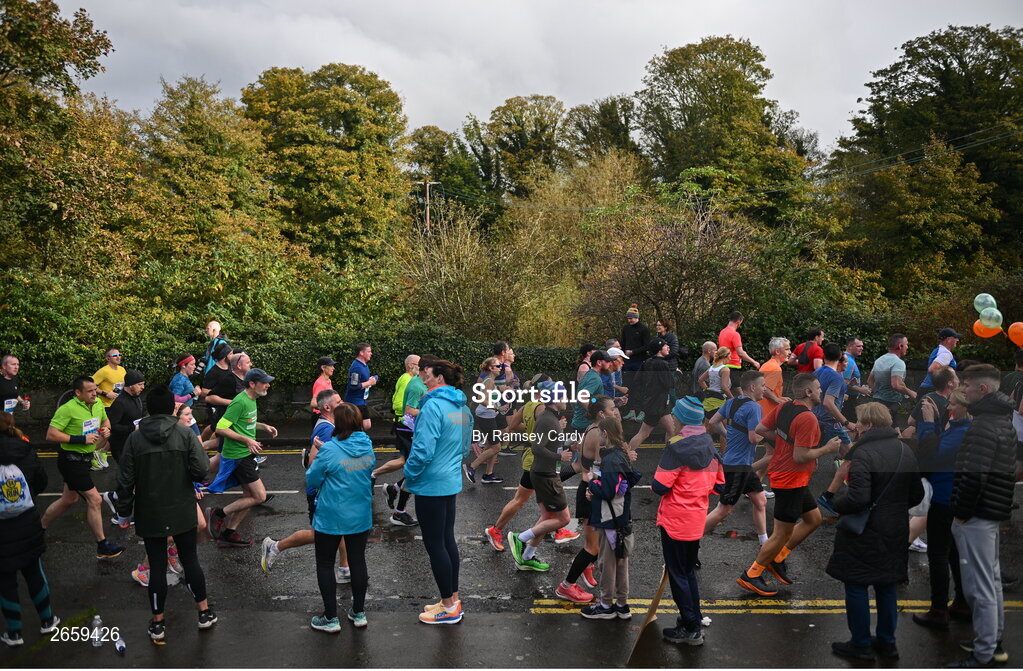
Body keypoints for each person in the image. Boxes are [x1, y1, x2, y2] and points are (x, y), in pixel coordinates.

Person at [113, 384, 217, 642]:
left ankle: (158, 623)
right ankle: (203, 613)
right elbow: (202, 470)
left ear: (149, 409)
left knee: (157, 567)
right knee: (190, 560)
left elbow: (124, 481)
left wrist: (124, 514)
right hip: (181, 507)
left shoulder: (135, 438)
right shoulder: (184, 434)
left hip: (150, 510)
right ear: (171, 407)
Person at [826, 402, 923, 661]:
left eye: (858, 421)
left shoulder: (861, 454)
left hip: (864, 531)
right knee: (886, 586)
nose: (855, 425)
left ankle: (860, 644)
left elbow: (858, 498)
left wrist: (837, 502)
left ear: (868, 425)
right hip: (895, 528)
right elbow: (917, 494)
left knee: (857, 585)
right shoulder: (905, 450)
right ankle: (888, 643)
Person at [737, 373, 840, 597]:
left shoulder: (785, 408)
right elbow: (802, 456)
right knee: (781, 533)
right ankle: (752, 574)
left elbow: (762, 430)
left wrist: (784, 437)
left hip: (794, 478)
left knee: (814, 519)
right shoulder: (808, 419)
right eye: (818, 388)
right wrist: (828, 449)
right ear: (808, 392)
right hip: (790, 479)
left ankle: (778, 558)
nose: (821, 391)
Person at [947, 364, 1016, 668]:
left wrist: (961, 513)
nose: (962, 388)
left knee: (980, 587)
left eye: (966, 384)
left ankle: (984, 653)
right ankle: (993, 642)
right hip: (989, 512)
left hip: (977, 515)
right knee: (992, 582)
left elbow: (974, 476)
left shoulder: (984, 425)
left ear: (983, 389)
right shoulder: (1001, 419)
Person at [404, 359, 472, 625]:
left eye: (426, 372)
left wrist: (408, 474)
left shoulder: (432, 405)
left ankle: (447, 607)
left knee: (435, 544)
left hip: (431, 483)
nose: (422, 375)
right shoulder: (462, 407)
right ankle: (453, 599)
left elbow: (422, 450)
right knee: (446, 540)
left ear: (439, 377)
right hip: (450, 479)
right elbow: (466, 446)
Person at [653, 396, 723, 646]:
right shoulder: (708, 444)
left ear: (681, 419)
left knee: (678, 574)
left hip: (674, 519)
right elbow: (719, 485)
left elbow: (659, 486)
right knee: (687, 572)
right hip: (696, 519)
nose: (672, 417)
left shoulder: (675, 447)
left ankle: (692, 628)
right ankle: (692, 616)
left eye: (674, 414)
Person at [260, 389, 351, 581]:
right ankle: (275, 546)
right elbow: (313, 461)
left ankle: (344, 569)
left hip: (329, 491)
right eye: (339, 401)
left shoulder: (330, 425)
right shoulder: (326, 429)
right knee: (322, 534)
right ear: (327, 407)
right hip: (321, 493)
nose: (343, 403)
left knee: (341, 528)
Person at [304, 403, 374, 633]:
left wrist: (322, 451)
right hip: (360, 512)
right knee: (358, 561)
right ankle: (359, 612)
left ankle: (331, 618)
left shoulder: (330, 450)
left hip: (331, 513)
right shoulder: (367, 444)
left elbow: (312, 479)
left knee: (325, 563)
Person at [40, 376, 124, 559]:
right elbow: (51, 434)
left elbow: (105, 421)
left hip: (85, 460)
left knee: (68, 499)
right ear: (78, 393)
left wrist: (107, 429)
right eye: (90, 391)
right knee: (95, 499)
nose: (95, 393)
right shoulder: (68, 409)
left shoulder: (98, 405)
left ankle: (39, 529)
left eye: (95, 389)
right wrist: (80, 439)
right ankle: (102, 545)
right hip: (70, 460)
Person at [912, 390, 970, 630]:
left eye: (953, 405)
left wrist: (927, 424)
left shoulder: (961, 431)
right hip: (953, 500)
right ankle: (962, 603)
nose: (949, 409)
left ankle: (938, 611)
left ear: (965, 408)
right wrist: (936, 421)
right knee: (955, 553)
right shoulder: (957, 427)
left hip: (945, 500)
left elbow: (931, 454)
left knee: (938, 554)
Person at [0, 412, 58, 647]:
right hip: (27, 524)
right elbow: (42, 482)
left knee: (5, 581)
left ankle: (14, 633)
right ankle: (47, 620)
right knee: (34, 573)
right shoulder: (25, 449)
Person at [555, 395, 619, 604]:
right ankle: (566, 586)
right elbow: (602, 468)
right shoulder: (599, 434)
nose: (616, 410)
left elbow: (584, 464)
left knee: (596, 543)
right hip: (592, 492)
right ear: (602, 413)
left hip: (589, 489)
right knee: (594, 547)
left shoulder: (591, 429)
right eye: (612, 408)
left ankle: (587, 567)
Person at [206, 368, 279, 548]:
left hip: (246, 454)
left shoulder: (252, 399)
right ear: (252, 384)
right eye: (264, 382)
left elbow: (245, 422)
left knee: (249, 495)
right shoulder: (240, 402)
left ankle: (229, 532)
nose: (268, 385)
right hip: (239, 456)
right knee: (259, 496)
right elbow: (221, 429)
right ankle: (218, 513)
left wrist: (263, 426)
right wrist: (246, 439)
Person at [580, 416, 641, 620]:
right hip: (621, 517)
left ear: (605, 434)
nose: (599, 439)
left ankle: (606, 605)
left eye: (600, 435)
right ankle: (622, 605)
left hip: (610, 518)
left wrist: (592, 485)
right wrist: (599, 481)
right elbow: (620, 483)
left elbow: (609, 490)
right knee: (621, 562)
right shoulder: (621, 455)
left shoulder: (611, 458)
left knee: (607, 564)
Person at [509, 389, 573, 573]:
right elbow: (537, 448)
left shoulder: (550, 418)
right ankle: (519, 538)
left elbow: (549, 442)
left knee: (547, 518)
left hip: (543, 473)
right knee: (563, 519)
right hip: (546, 475)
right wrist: (558, 456)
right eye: (564, 396)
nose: (567, 400)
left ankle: (527, 557)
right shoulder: (546, 419)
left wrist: (569, 444)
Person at [704, 371, 768, 546]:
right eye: (763, 385)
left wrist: (728, 435)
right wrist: (771, 434)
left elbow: (713, 422)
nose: (765, 389)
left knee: (760, 500)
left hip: (739, 464)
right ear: (752, 387)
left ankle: (765, 542)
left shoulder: (731, 402)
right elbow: (754, 438)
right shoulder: (755, 408)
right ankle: (689, 541)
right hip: (738, 466)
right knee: (723, 509)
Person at [375, 354, 423, 526]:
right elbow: (400, 404)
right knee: (415, 466)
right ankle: (398, 508)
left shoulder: (413, 380)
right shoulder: (408, 380)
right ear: (411, 365)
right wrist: (406, 416)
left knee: (409, 463)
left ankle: (393, 488)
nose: (422, 367)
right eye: (419, 364)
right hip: (406, 427)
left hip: (406, 426)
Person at [628, 339, 676, 451]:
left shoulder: (647, 362)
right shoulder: (662, 364)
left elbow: (637, 380)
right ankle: (626, 456)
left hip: (652, 403)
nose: (668, 347)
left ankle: (626, 456)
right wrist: (677, 373)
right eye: (665, 346)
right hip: (659, 405)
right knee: (671, 431)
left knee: (670, 430)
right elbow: (670, 384)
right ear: (659, 349)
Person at [465, 357, 507, 484]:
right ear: (491, 368)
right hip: (485, 417)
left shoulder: (490, 381)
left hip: (489, 416)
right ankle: (471, 467)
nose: (500, 368)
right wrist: (497, 407)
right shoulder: (488, 381)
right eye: (498, 366)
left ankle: (488, 474)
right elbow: (481, 400)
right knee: (496, 447)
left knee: (490, 445)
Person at [868, 334, 917, 426]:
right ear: (900, 346)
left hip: (877, 402)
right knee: (892, 432)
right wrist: (911, 393)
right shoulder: (898, 363)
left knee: (885, 430)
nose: (907, 347)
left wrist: (879, 392)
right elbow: (896, 385)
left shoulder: (879, 360)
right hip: (891, 404)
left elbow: (870, 381)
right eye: (906, 344)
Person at [91, 347, 126, 469]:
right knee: (108, 432)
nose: (118, 357)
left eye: (119, 354)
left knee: (117, 433)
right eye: (115, 355)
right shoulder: (103, 371)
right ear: (107, 358)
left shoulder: (122, 370)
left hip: (120, 406)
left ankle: (101, 452)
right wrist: (106, 394)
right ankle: (95, 454)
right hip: (107, 406)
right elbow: (91, 385)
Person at [106, 370, 145, 464]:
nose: (143, 387)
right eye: (139, 384)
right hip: (121, 447)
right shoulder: (120, 403)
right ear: (130, 385)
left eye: (143, 384)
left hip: (134, 443)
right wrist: (132, 428)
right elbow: (113, 426)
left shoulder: (137, 397)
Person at [620, 305, 651, 420]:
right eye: (628, 318)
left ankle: (642, 411)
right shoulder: (625, 329)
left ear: (637, 317)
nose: (629, 320)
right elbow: (623, 343)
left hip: (640, 362)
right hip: (628, 362)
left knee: (641, 387)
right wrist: (624, 354)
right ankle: (631, 410)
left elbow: (647, 346)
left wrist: (633, 351)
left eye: (631, 318)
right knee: (630, 387)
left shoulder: (644, 329)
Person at [718, 311, 760, 393]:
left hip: (722, 364)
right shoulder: (735, 334)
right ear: (738, 322)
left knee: (728, 388)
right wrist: (754, 362)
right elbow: (740, 352)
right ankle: (744, 400)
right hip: (732, 365)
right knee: (737, 388)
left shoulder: (722, 332)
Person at [571, 351, 612, 431]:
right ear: (599, 362)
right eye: (607, 361)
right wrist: (596, 414)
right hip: (586, 426)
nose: (610, 364)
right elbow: (582, 398)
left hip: (581, 425)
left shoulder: (590, 374)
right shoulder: (595, 378)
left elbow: (592, 399)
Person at [345, 343, 378, 432]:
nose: (371, 353)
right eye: (369, 351)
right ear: (361, 353)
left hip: (362, 400)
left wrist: (373, 379)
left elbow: (365, 382)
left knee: (366, 425)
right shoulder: (356, 367)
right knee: (363, 425)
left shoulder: (364, 365)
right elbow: (353, 386)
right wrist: (369, 382)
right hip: (354, 401)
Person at [919, 328, 962, 394]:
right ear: (948, 339)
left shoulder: (938, 350)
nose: (957, 340)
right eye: (955, 337)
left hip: (927, 388)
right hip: (934, 390)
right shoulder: (945, 353)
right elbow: (932, 369)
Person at [698, 347, 733, 428]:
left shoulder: (712, 367)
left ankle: (704, 440)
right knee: (724, 428)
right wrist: (732, 398)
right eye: (730, 356)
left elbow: (700, 380)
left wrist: (706, 389)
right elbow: (724, 387)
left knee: (707, 427)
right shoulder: (725, 369)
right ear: (725, 356)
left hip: (709, 398)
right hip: (720, 399)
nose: (730, 358)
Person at [842, 337, 871, 422]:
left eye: (862, 346)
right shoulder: (849, 361)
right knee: (852, 427)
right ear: (850, 346)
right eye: (858, 346)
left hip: (849, 399)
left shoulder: (848, 359)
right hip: (848, 400)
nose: (862, 348)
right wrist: (861, 390)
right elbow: (843, 382)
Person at [309, 356, 337, 424]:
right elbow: (313, 403)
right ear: (323, 368)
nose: (333, 368)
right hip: (320, 417)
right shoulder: (320, 383)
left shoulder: (328, 380)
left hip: (327, 416)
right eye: (330, 366)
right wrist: (329, 406)